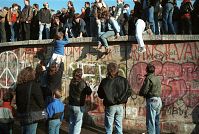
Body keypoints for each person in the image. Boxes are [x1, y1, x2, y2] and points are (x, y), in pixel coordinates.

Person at [97, 62, 132, 134]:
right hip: (120, 105)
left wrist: (107, 96)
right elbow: (129, 92)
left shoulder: (105, 81)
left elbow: (100, 94)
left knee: (109, 126)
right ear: (117, 70)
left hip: (110, 105)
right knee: (119, 125)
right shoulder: (123, 80)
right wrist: (122, 99)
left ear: (108, 70)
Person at [15, 67, 45, 134]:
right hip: (32, 115)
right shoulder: (34, 85)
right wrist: (43, 109)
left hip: (22, 114)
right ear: (32, 75)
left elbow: (17, 101)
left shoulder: (19, 86)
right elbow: (41, 101)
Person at [139, 63, 162, 134]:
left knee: (150, 122)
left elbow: (144, 90)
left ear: (146, 70)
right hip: (159, 100)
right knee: (156, 121)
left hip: (152, 101)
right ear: (154, 70)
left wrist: (141, 93)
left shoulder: (148, 78)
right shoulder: (158, 78)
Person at [68, 68, 92, 134]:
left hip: (71, 104)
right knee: (77, 123)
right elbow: (89, 92)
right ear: (81, 75)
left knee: (71, 122)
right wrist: (88, 85)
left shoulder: (71, 81)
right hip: (78, 105)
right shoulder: (82, 82)